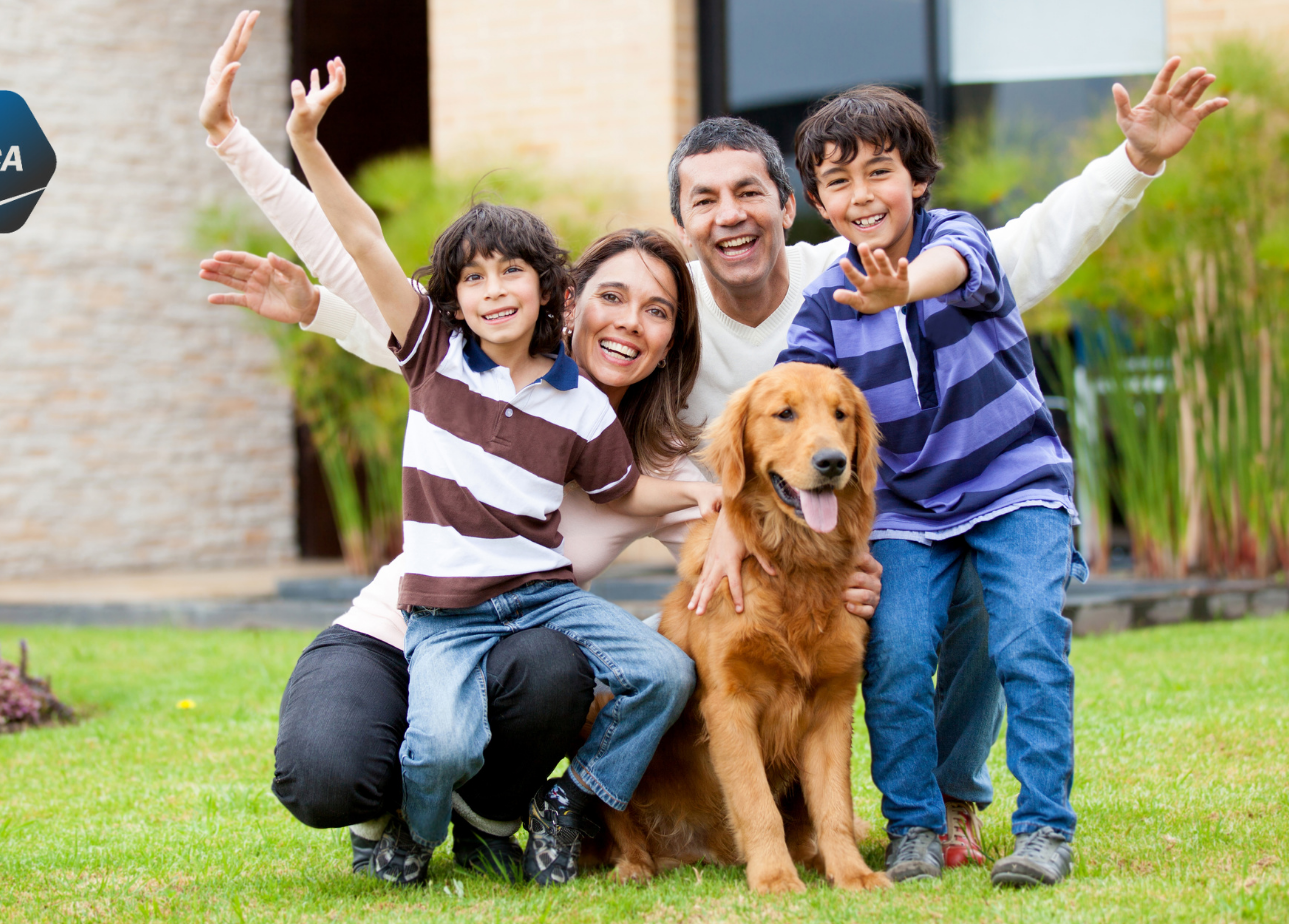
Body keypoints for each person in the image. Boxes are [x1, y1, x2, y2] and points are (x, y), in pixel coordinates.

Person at [198, 6, 1223, 884]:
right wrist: (254, 170)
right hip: (410, 619)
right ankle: (411, 813)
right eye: (613, 299)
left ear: (788, 207)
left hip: (530, 632)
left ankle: (938, 805)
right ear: (591, 288)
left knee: (913, 585)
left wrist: (1133, 161)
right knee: (336, 770)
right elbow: (378, 287)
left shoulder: (808, 308)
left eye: (651, 313)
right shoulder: (522, 365)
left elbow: (1012, 254)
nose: (629, 325)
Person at [279, 55, 728, 888]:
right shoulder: (433, 357)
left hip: (541, 598)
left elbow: (623, 492)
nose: (493, 290)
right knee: (440, 743)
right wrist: (306, 142)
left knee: (665, 672)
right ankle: (410, 835)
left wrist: (707, 494)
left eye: (511, 272)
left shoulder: (582, 405)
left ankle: (575, 799)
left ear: (549, 288)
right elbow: (364, 244)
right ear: (452, 298)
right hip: (444, 610)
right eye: (473, 278)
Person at [777, 80, 1223, 888]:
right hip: (909, 507)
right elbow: (789, 396)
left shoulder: (958, 238)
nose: (861, 194)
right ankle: (913, 826)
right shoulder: (822, 302)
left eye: (879, 171)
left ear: (916, 178)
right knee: (899, 653)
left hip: (1014, 482)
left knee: (1026, 639)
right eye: (837, 182)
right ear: (817, 201)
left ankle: (1046, 827)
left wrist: (900, 287)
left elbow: (951, 268)